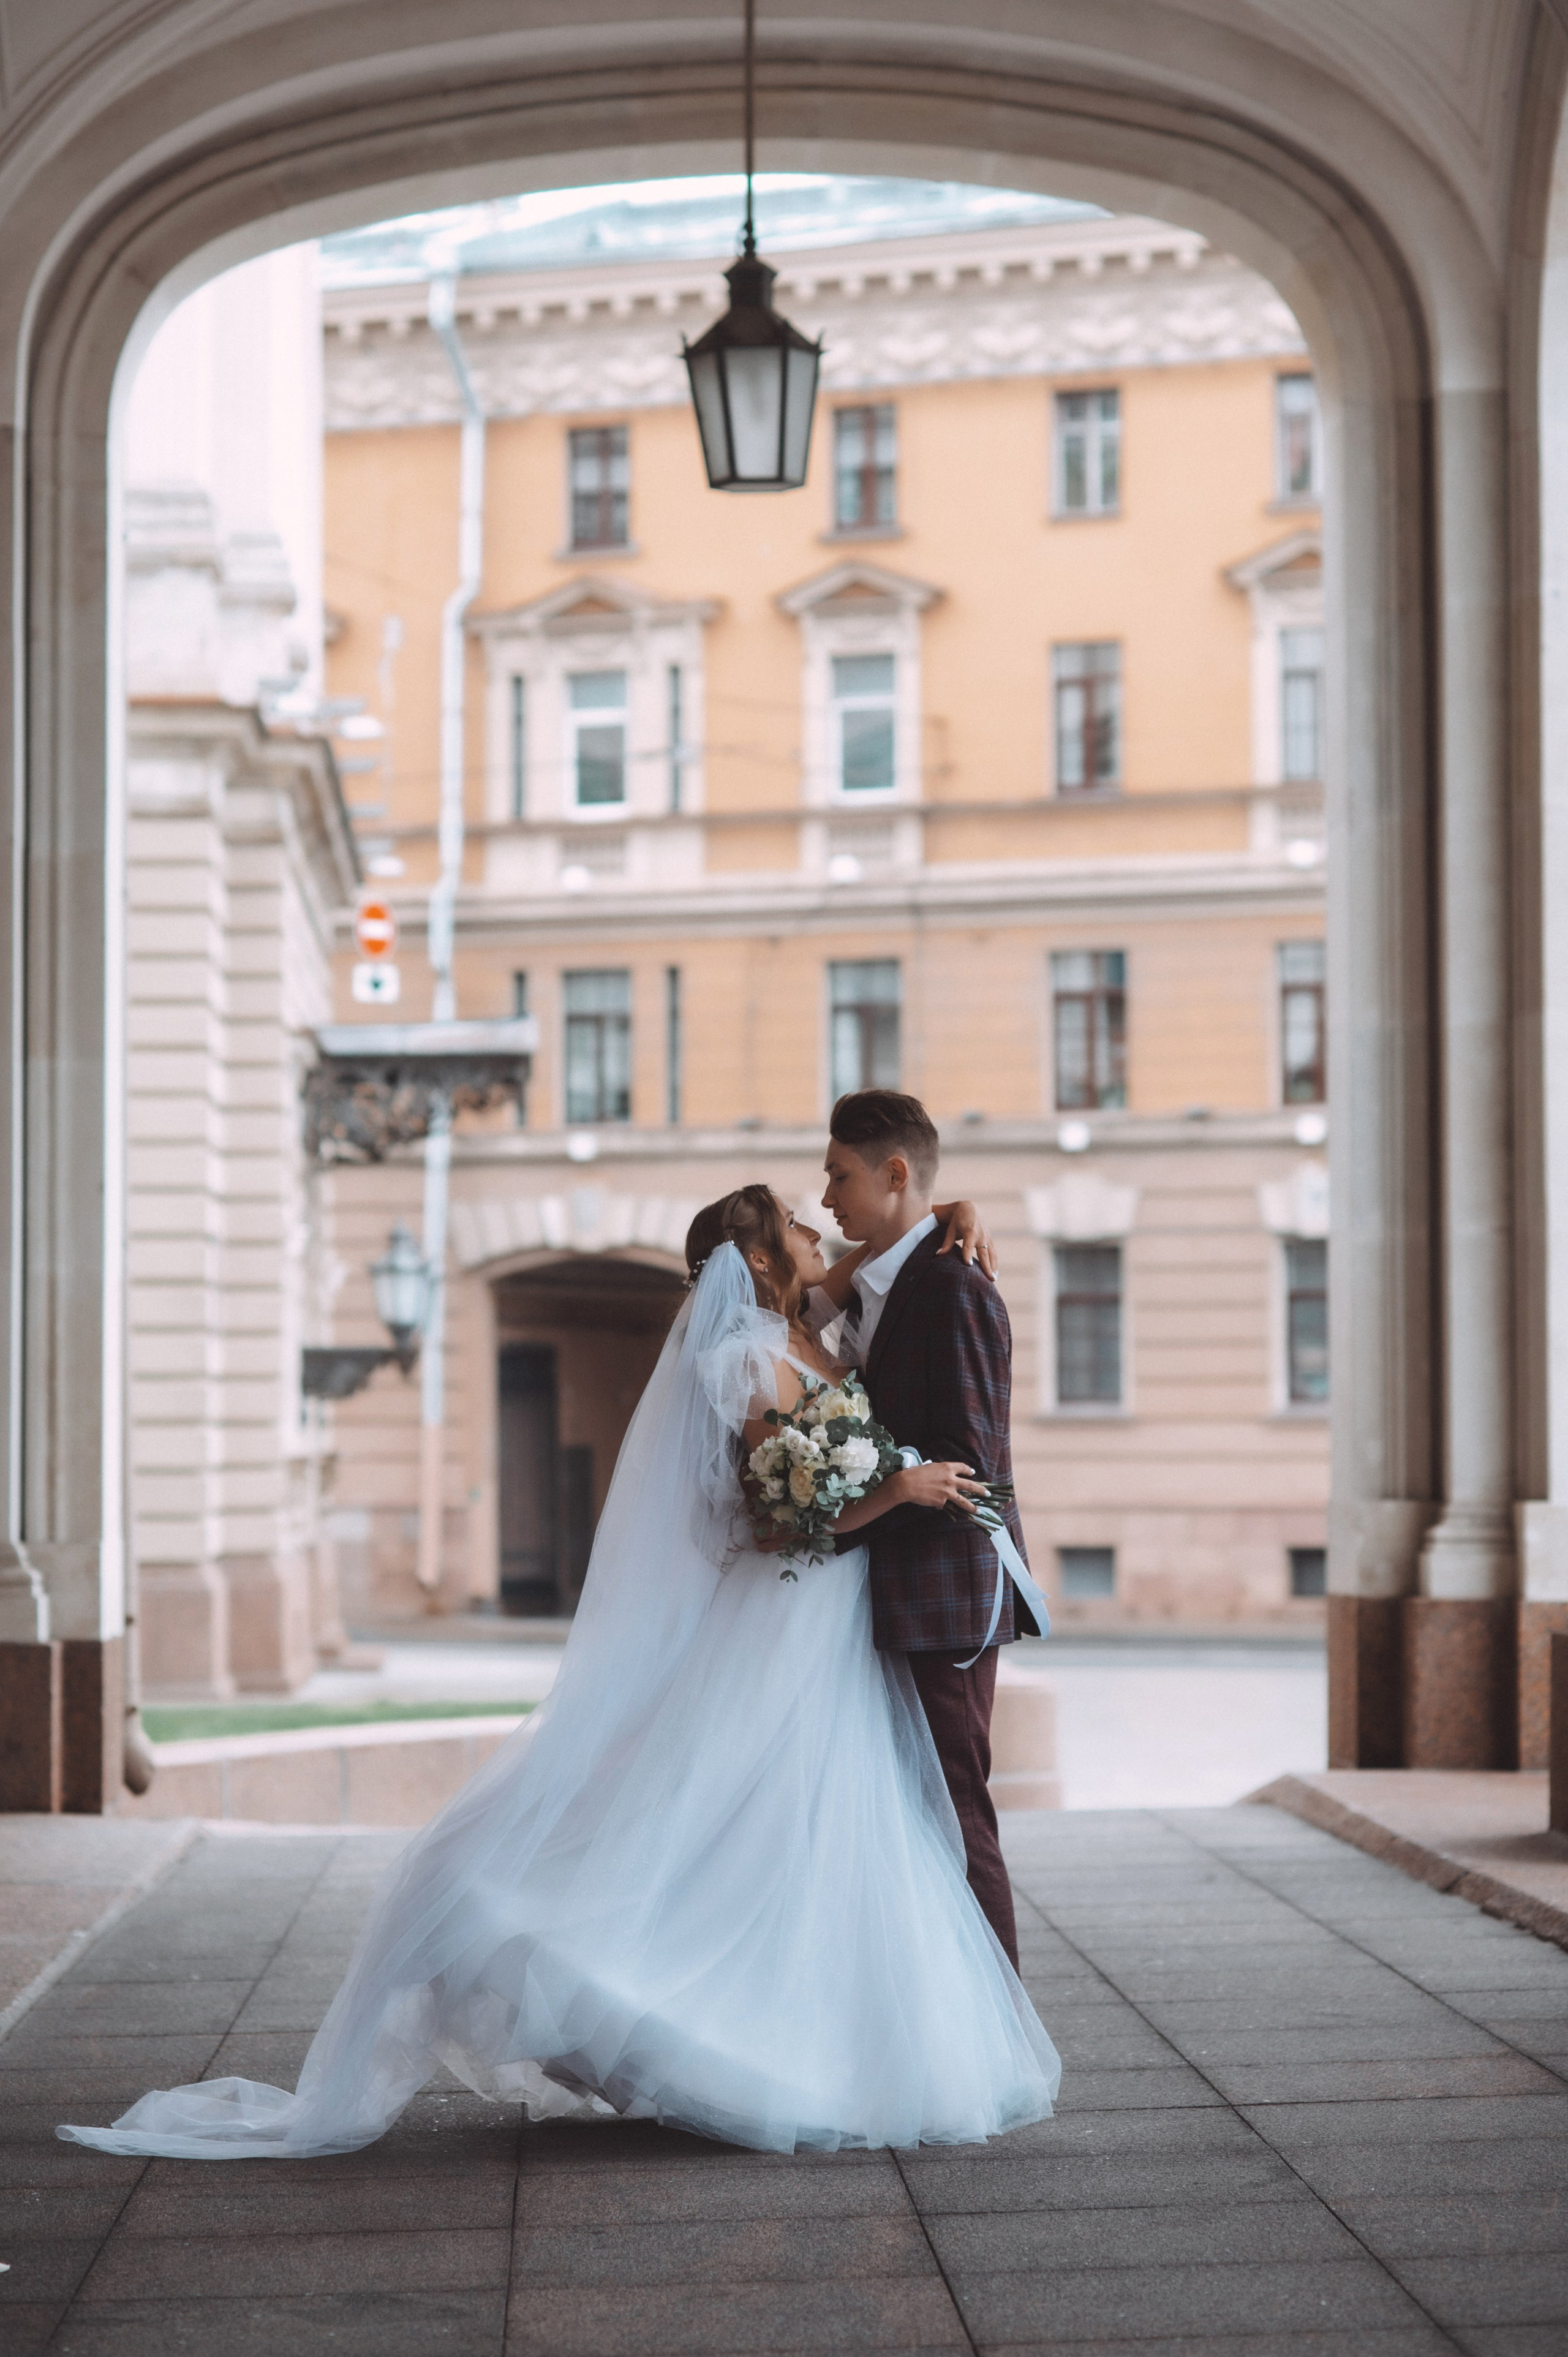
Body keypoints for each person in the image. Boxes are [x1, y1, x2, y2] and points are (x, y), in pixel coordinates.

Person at [59, 1186, 1059, 2162]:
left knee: (818, 1830)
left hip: (833, 1619)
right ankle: (674, 2014)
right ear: (758, 1259)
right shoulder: (745, 1356)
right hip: (788, 1613)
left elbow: (875, 1252)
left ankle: (827, 2036)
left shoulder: (813, 1332)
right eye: (796, 1222)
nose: (816, 1226)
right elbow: (774, 1520)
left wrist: (956, 1211)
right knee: (746, 1817)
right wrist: (897, 1489)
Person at [821, 1089, 1034, 1968]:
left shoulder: (950, 1287)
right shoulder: (887, 1279)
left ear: (894, 1174)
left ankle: (1001, 2031)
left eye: (839, 1176)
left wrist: (861, 1487)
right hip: (898, 1595)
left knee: (956, 1810)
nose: (827, 1197)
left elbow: (971, 1465)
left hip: (946, 1600)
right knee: (918, 1814)